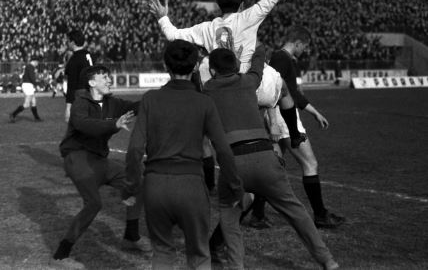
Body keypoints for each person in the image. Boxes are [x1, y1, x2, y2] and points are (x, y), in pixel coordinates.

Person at [148, 0, 305, 148]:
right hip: (252, 85)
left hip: (221, 91)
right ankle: (294, 134)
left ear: (218, 6)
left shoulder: (206, 28)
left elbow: (172, 35)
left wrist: (162, 17)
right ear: (241, 5)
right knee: (283, 88)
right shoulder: (248, 17)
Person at [204, 43, 339, 270]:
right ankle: (328, 260)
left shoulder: (207, 89)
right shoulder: (248, 82)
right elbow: (258, 63)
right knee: (296, 211)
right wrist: (256, 47)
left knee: (229, 215)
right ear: (236, 66)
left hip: (233, 162)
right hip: (265, 156)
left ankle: (236, 266)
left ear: (213, 71)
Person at [123, 39, 244, 270]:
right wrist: (236, 187)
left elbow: (135, 149)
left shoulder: (150, 99)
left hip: (156, 186)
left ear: (165, 66)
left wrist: (130, 187)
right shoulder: (204, 102)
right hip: (191, 186)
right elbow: (223, 150)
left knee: (163, 252)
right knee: (199, 255)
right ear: (196, 66)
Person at [53, 64, 149, 266]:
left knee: (138, 181)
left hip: (99, 160)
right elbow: (84, 125)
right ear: (91, 82)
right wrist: (113, 125)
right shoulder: (80, 102)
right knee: (94, 204)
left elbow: (136, 107)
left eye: (108, 76)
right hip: (77, 158)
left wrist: (157, 99)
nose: (108, 80)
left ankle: (131, 236)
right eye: (104, 77)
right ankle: (62, 251)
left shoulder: (112, 103)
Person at [253, 27, 345, 229]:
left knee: (274, 168)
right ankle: (320, 215)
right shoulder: (282, 58)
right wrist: (276, 121)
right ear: (297, 43)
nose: (306, 50)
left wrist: (314, 112)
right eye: (306, 46)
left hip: (280, 117)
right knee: (310, 163)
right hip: (284, 119)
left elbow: (290, 91)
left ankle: (257, 214)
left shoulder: (281, 58)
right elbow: (280, 91)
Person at [64, 29, 94, 122]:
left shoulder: (74, 59)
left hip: (80, 97)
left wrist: (68, 106)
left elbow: (71, 84)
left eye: (68, 41)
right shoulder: (88, 55)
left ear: (72, 42)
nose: (67, 43)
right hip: (91, 95)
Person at [9, 58, 42, 122]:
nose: (37, 64)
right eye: (37, 63)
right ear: (34, 61)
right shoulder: (30, 67)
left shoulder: (28, 66)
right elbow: (32, 77)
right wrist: (36, 85)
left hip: (28, 85)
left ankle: (37, 118)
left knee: (34, 102)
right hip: (28, 85)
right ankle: (13, 115)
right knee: (26, 104)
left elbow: (26, 76)